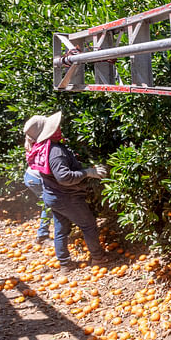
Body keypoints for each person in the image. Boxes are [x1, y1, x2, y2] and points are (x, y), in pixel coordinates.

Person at [25, 111, 107, 271]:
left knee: (61, 229)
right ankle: (98, 258)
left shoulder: (41, 149)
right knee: (88, 225)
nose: (59, 128)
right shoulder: (55, 151)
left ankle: (65, 264)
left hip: (53, 196)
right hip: (67, 197)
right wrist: (88, 172)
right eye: (55, 127)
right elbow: (64, 177)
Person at [22, 115, 53, 245]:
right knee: (50, 204)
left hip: (30, 177)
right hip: (36, 179)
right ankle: (42, 235)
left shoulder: (33, 142)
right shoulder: (43, 145)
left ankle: (44, 233)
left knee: (49, 204)